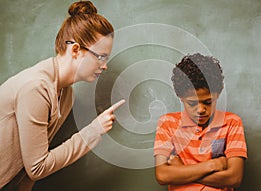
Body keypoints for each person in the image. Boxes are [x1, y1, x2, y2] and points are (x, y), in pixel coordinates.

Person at [0, 1, 125, 190]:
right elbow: (37, 167)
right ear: (75, 50)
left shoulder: (66, 94)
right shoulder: (37, 87)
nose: (105, 65)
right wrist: (94, 130)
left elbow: (27, 172)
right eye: (101, 57)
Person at [154, 53, 247, 191]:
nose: (201, 110)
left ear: (219, 94)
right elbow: (162, 175)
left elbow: (234, 178)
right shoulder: (167, 123)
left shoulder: (232, 122)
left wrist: (181, 170)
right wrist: (213, 165)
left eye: (208, 102)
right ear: (180, 97)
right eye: (192, 103)